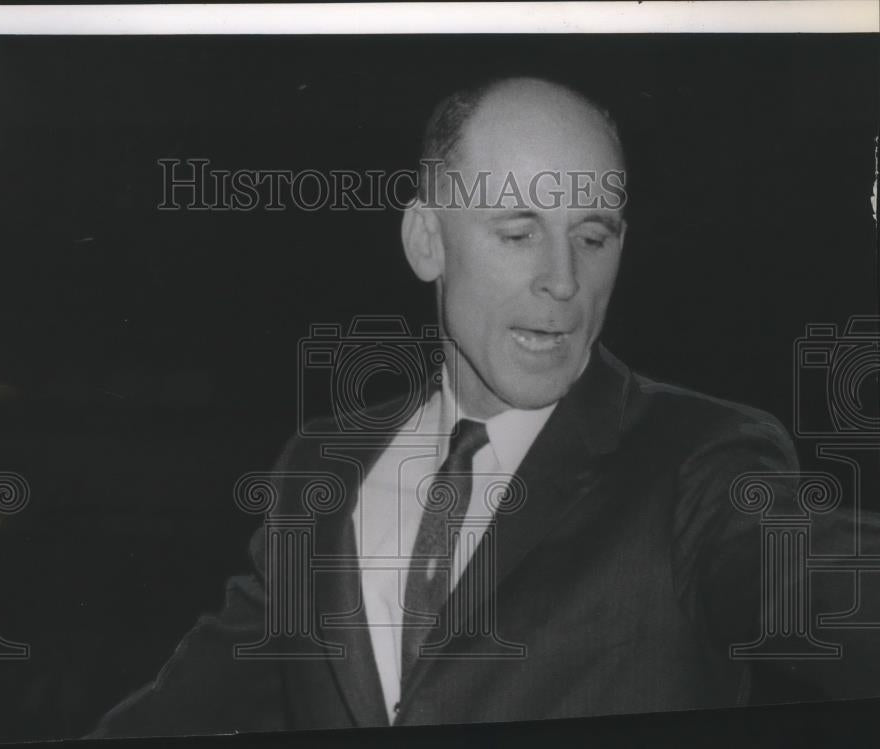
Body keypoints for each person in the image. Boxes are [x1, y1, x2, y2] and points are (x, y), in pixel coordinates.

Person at [89, 77, 879, 738]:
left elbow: (819, 576)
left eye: (593, 236)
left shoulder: (700, 458)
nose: (564, 280)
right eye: (517, 231)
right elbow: (185, 708)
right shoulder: (319, 469)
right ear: (427, 240)